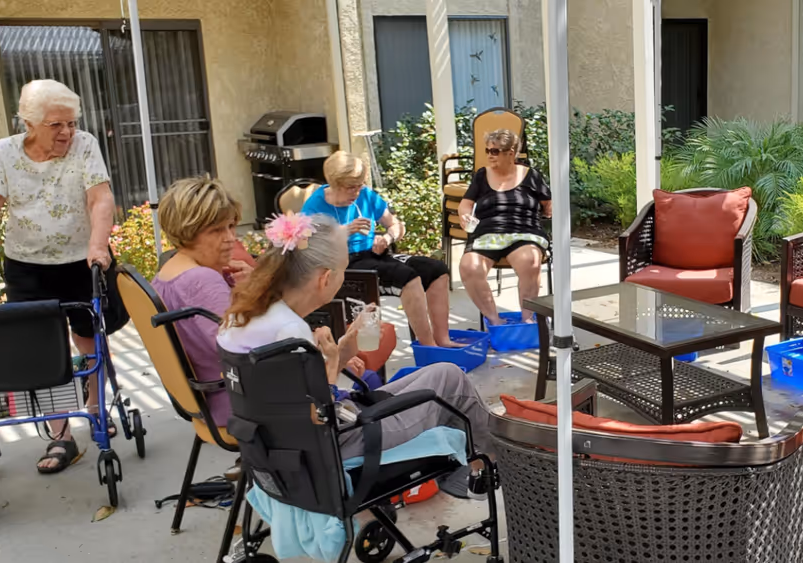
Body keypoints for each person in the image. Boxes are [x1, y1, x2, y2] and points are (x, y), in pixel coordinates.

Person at [216, 213, 492, 498]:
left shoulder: (242, 315)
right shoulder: (290, 331)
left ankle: (475, 467)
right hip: (341, 444)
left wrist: (345, 348)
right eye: (343, 270)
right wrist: (334, 362)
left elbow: (289, 399)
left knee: (447, 373)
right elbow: (316, 418)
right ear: (325, 279)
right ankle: (489, 467)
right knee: (455, 388)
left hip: (280, 445)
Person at [0, 79, 129, 474]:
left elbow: (99, 198)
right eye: (55, 125)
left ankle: (96, 411)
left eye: (71, 123)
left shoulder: (85, 144)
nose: (66, 132)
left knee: (88, 336)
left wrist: (98, 246)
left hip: (82, 260)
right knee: (39, 351)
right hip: (26, 264)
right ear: (28, 123)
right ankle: (61, 434)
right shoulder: (4, 153)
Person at [301, 152, 460, 347]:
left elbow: (396, 226)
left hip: (375, 255)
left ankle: (443, 339)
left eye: (359, 185)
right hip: (342, 263)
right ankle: (428, 347)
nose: (356, 192)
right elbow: (307, 244)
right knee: (407, 278)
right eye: (351, 187)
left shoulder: (366, 195)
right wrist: (345, 231)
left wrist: (387, 238)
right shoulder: (316, 205)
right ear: (335, 184)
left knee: (437, 270)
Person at [151, 176, 253, 428]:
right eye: (217, 230)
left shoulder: (166, 273)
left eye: (231, 226)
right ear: (188, 232)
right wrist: (254, 290)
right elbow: (243, 349)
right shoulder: (201, 280)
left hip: (204, 399)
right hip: (235, 401)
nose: (230, 237)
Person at [458, 129, 552, 324]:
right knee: (469, 267)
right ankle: (494, 320)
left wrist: (549, 213)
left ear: (511, 153)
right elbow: (466, 203)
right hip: (488, 232)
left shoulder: (531, 175)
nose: (490, 155)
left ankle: (528, 319)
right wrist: (464, 215)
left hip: (524, 232)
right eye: (488, 150)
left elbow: (548, 205)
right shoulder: (482, 175)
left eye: (495, 151)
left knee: (530, 261)